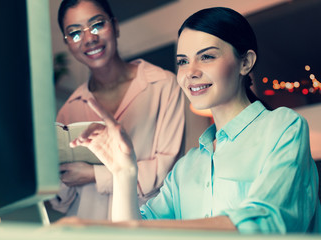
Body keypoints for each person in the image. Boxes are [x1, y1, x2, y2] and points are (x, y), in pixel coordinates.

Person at [63, 7, 321, 233]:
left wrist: (133, 228)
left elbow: (267, 223)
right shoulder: (186, 168)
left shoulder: (283, 128)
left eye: (207, 56)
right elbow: (135, 234)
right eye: (183, 61)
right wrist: (123, 172)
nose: (191, 72)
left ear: (246, 62)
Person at [49, 0, 185, 220]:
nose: (89, 38)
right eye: (75, 33)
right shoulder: (68, 110)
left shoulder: (163, 85)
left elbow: (166, 172)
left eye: (97, 25)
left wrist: (94, 174)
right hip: (89, 230)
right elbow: (61, 201)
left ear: (115, 26)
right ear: (68, 44)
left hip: (145, 228)